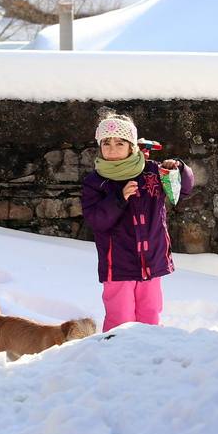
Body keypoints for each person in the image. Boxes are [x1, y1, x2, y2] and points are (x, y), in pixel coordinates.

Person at [79, 113, 194, 332]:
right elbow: (96, 220)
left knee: (150, 314)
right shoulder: (95, 182)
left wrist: (178, 169)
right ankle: (116, 358)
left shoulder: (152, 172)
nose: (112, 148)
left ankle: (149, 357)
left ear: (132, 146)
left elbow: (183, 191)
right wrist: (119, 199)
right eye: (106, 143)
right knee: (120, 318)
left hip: (151, 261)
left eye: (119, 143)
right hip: (118, 266)